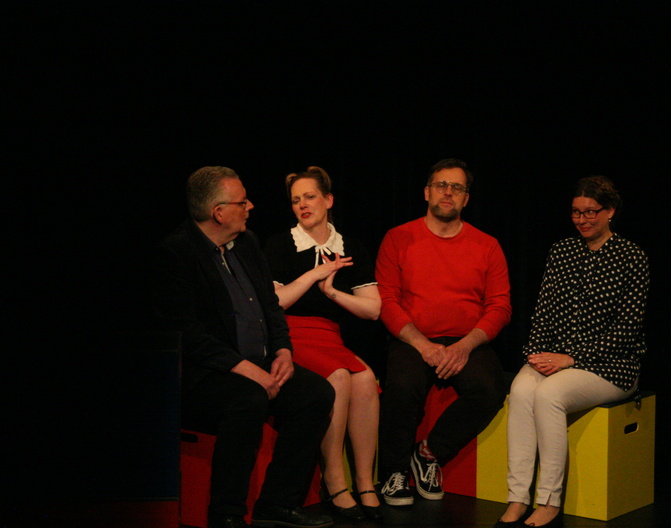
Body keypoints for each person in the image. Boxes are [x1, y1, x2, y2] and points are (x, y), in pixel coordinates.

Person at [149, 166, 336, 528]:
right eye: (242, 201)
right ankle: (227, 514)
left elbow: (270, 306)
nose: (250, 207)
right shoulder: (175, 253)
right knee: (248, 399)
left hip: (259, 364)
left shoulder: (247, 242)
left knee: (315, 393)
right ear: (219, 212)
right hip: (207, 373)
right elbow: (186, 334)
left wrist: (283, 352)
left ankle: (278, 503)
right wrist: (247, 370)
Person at [494, 175, 649, 528]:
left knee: (549, 395)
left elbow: (627, 330)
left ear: (610, 211)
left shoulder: (631, 257)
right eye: (576, 212)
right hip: (557, 358)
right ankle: (517, 498)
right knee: (521, 389)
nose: (582, 219)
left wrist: (573, 358)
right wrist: (535, 355)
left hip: (610, 365)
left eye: (591, 212)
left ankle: (549, 501)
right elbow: (544, 312)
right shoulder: (562, 252)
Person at [375, 158, 512, 506]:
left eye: (457, 187)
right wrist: (423, 345)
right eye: (441, 185)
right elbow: (387, 300)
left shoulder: (487, 245)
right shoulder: (398, 238)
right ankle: (393, 471)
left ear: (466, 199)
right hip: (413, 338)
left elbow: (500, 306)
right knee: (402, 386)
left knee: (491, 388)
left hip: (466, 340)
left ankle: (428, 454)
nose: (448, 192)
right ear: (427, 192)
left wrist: (465, 347)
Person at [263, 166, 383, 521]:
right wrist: (314, 274)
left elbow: (373, 309)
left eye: (310, 196)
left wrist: (332, 292)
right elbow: (276, 302)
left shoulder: (349, 247)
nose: (302, 205)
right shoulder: (281, 244)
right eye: (295, 200)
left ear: (328, 200)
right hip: (290, 335)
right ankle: (334, 482)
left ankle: (365, 482)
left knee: (366, 379)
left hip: (330, 335)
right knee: (339, 376)